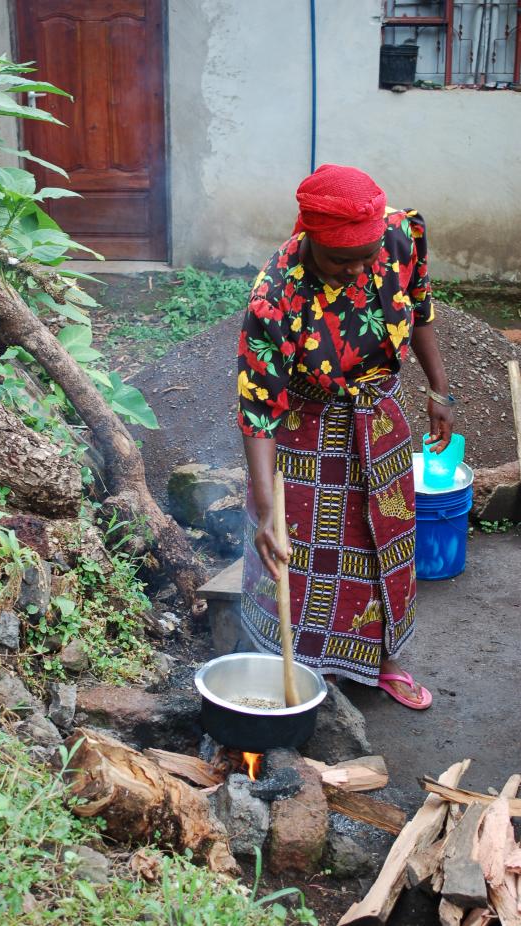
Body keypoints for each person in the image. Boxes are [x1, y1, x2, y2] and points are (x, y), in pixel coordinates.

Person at [237, 164, 453, 709]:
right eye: (342, 260)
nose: (359, 270)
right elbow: (259, 409)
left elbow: (421, 306)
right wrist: (267, 511)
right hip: (307, 431)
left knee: (386, 543)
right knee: (306, 554)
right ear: (310, 239)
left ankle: (383, 662)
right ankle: (315, 672)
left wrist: (439, 390)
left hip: (379, 418)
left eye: (368, 256)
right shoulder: (276, 295)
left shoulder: (399, 236)